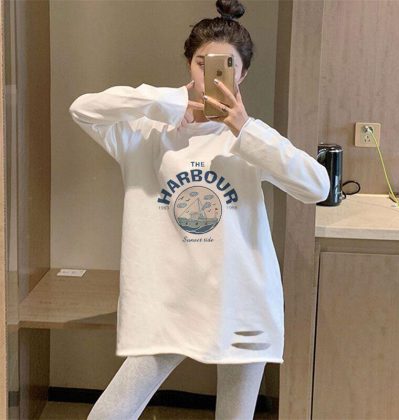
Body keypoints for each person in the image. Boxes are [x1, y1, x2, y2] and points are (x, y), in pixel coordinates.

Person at [68, 1, 330, 419]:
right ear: (189, 65)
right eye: (202, 63)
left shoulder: (251, 140)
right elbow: (83, 108)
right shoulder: (147, 133)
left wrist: (244, 128)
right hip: (169, 303)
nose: (212, 74)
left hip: (242, 301)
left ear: (242, 73)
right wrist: (169, 103)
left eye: (227, 65)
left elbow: (317, 186)